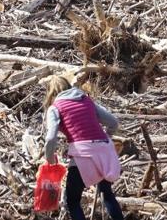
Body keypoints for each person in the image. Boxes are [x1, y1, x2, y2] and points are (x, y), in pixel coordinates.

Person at [44, 76, 124, 220]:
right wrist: (105, 138)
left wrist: (50, 159)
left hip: (83, 154)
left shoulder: (55, 108)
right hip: (104, 152)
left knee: (72, 201)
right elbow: (113, 122)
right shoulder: (87, 100)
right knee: (107, 194)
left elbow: (50, 137)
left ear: (51, 93)